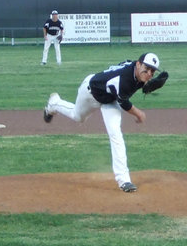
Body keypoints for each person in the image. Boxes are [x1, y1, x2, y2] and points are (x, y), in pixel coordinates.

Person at [43, 52, 162, 193]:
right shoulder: (123, 79)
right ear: (138, 64)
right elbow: (124, 102)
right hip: (90, 92)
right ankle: (54, 103)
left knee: (115, 134)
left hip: (110, 101)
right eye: (146, 68)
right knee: (78, 117)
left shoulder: (134, 70)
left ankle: (124, 180)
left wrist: (143, 84)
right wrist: (139, 114)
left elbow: (125, 68)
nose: (149, 73)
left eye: (152, 71)